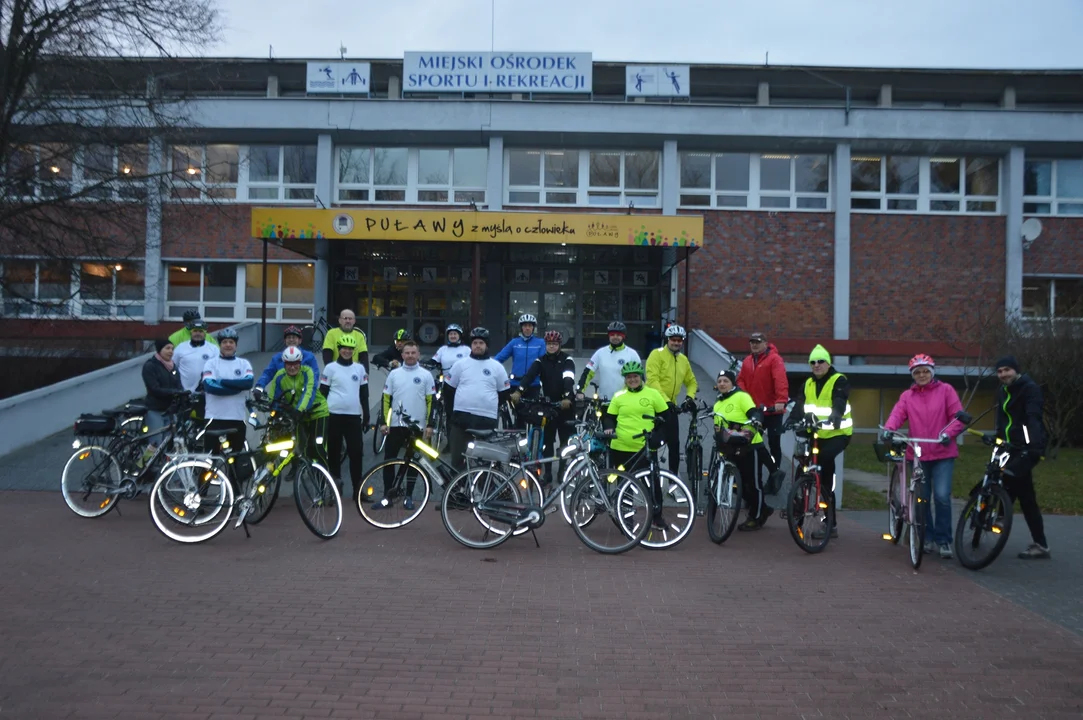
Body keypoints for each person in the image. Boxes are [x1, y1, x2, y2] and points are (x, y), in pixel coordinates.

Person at [881, 354, 966, 559]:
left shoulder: (946, 391)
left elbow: (958, 417)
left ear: (932, 372)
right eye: (917, 372)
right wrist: (889, 429)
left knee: (942, 496)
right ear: (912, 375)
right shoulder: (907, 396)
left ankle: (943, 540)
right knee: (921, 498)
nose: (922, 375)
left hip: (942, 452)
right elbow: (897, 414)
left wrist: (948, 434)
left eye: (926, 371)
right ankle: (926, 537)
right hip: (917, 453)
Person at [786, 344, 852, 539]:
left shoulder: (838, 380)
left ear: (828, 363)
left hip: (837, 434)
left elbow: (839, 399)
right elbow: (800, 404)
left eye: (820, 361)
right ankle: (797, 508)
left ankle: (829, 523)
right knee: (801, 467)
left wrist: (836, 415)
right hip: (815, 433)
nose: (816, 365)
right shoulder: (807, 383)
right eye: (813, 362)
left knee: (824, 468)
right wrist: (790, 420)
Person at [993, 355, 1051, 560]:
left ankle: (1001, 517)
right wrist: (998, 438)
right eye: (999, 371)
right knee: (1024, 495)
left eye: (1007, 370)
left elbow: (1033, 417)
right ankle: (1040, 544)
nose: (1003, 374)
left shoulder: (1029, 389)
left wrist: (1034, 446)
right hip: (1009, 446)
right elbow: (1002, 419)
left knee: (1010, 478)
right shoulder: (1003, 391)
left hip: (1027, 447)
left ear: (1016, 370)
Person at [715, 369, 787, 531]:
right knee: (737, 485)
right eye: (719, 381)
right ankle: (763, 508)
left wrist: (756, 419)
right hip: (731, 448)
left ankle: (756, 517)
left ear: (732, 383)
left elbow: (754, 412)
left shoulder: (741, 396)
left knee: (753, 484)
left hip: (749, 446)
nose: (722, 384)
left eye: (726, 381)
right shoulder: (718, 403)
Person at [375, 339, 436, 510]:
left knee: (413, 462)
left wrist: (430, 424)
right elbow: (386, 399)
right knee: (389, 461)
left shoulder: (426, 375)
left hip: (417, 426)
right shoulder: (394, 374)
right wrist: (383, 422)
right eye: (407, 353)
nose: (410, 356)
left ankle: (408, 496)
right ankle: (387, 496)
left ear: (418, 354)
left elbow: (432, 402)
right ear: (402, 355)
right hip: (395, 425)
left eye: (413, 353)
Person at [512, 329, 576, 487]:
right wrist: (519, 391)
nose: (552, 346)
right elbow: (529, 376)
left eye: (554, 344)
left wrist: (567, 397)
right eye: (549, 344)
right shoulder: (540, 361)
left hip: (565, 405)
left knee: (564, 442)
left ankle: (561, 471)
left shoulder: (567, 360)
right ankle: (547, 472)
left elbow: (568, 380)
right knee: (547, 441)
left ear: (559, 345)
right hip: (549, 406)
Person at [443, 327, 512, 469]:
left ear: (487, 345)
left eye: (481, 343)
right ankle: (459, 483)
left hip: (486, 420)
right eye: (475, 343)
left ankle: (482, 483)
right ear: (471, 345)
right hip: (461, 418)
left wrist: (489, 404)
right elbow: (448, 390)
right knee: (457, 460)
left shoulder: (497, 367)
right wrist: (451, 413)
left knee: (485, 461)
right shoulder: (460, 365)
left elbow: (504, 393)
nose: (478, 346)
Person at [200, 328, 254, 489]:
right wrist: (236, 388)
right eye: (224, 342)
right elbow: (209, 386)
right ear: (220, 345)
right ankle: (200, 496)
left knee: (235, 462)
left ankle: (235, 495)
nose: (228, 345)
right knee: (209, 461)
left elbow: (248, 383)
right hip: (214, 418)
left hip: (237, 418)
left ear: (236, 345)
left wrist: (222, 381)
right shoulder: (211, 363)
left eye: (231, 342)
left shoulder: (244, 364)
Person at [737, 331, 789, 493]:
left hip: (773, 410)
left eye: (758, 342)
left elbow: (780, 380)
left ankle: (773, 480)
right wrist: (745, 397)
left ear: (766, 343)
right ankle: (756, 481)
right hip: (756, 411)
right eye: (752, 342)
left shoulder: (774, 359)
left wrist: (781, 400)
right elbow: (740, 380)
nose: (754, 345)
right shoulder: (747, 361)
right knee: (754, 445)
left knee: (774, 445)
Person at [645, 324, 699, 479]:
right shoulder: (656, 354)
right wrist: (666, 401)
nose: (676, 343)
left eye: (679, 340)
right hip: (654, 405)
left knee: (674, 443)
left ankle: (673, 477)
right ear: (667, 340)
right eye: (673, 340)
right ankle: (649, 475)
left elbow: (692, 382)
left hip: (671, 407)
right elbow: (652, 380)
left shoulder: (683, 360)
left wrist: (689, 397)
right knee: (653, 442)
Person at [319, 334, 370, 497]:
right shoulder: (330, 368)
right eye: (344, 349)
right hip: (333, 416)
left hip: (353, 417)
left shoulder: (359, 369)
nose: (347, 351)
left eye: (350, 349)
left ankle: (357, 490)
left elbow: (364, 393)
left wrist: (366, 414)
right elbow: (323, 392)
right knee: (334, 454)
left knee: (356, 453)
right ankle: (335, 489)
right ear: (339, 349)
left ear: (353, 351)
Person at [264, 345, 329, 464]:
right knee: (298, 449)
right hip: (298, 416)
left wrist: (299, 409)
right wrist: (270, 407)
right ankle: (299, 472)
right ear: (284, 364)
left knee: (317, 448)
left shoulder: (307, 372)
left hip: (318, 413)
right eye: (289, 364)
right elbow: (274, 398)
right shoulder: (280, 376)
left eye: (295, 363)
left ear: (300, 362)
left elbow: (308, 393)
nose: (292, 367)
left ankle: (325, 474)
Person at [603, 360, 669, 472]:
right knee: (623, 480)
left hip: (646, 447)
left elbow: (665, 417)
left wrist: (658, 435)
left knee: (649, 480)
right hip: (620, 446)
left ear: (641, 376)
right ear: (625, 379)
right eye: (629, 377)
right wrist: (609, 427)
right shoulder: (618, 396)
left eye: (635, 376)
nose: (632, 379)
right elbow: (609, 417)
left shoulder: (653, 394)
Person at [577, 320, 641, 403]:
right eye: (612, 335)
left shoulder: (632, 354)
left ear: (623, 336)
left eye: (618, 335)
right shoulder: (600, 353)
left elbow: (640, 378)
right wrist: (580, 390)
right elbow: (588, 373)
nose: (615, 337)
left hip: (626, 402)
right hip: (604, 401)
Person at [254, 326, 320, 397]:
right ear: (285, 341)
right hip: (281, 395)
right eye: (288, 337)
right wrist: (259, 386)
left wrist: (308, 388)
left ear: (300, 340)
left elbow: (315, 374)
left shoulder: (309, 357)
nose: (291, 340)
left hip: (302, 394)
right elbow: (268, 373)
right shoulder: (277, 358)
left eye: (294, 337)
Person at [142, 338, 185, 434]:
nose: (171, 351)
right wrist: (173, 392)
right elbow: (154, 389)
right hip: (155, 409)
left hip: (170, 410)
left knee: (169, 439)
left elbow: (178, 384)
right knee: (156, 439)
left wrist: (183, 394)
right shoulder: (150, 365)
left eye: (172, 349)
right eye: (167, 348)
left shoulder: (173, 366)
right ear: (160, 350)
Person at [495, 313, 546, 392]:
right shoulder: (514, 343)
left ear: (533, 328)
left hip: (533, 384)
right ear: (521, 327)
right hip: (515, 383)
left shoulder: (540, 343)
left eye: (530, 326)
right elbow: (499, 358)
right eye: (525, 326)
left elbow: (543, 362)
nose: (527, 328)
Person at [173, 319, 215, 392]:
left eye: (200, 331)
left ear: (205, 333)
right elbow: (173, 368)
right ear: (190, 332)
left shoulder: (213, 349)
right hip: (184, 392)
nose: (197, 333)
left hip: (206, 392)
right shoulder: (180, 347)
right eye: (195, 331)